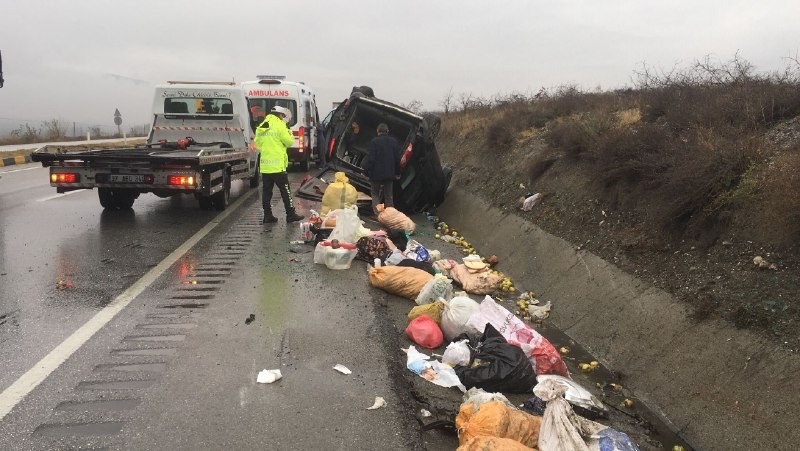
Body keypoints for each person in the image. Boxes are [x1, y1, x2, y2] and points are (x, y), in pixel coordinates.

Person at [254, 106, 304, 224]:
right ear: (280, 115)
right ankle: (290, 214)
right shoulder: (280, 125)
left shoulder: (263, 125)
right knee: (285, 190)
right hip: (277, 166)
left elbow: (257, 143)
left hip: (266, 166)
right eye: (283, 116)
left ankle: (267, 216)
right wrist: (288, 131)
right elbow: (289, 141)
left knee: (267, 192)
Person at [362, 122, 402, 216]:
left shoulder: (374, 142)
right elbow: (397, 160)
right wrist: (397, 173)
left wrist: (366, 172)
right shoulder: (394, 142)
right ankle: (390, 216)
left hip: (376, 175)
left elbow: (370, 159)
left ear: (377, 131)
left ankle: (378, 215)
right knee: (388, 196)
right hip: (389, 175)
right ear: (387, 131)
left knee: (375, 194)